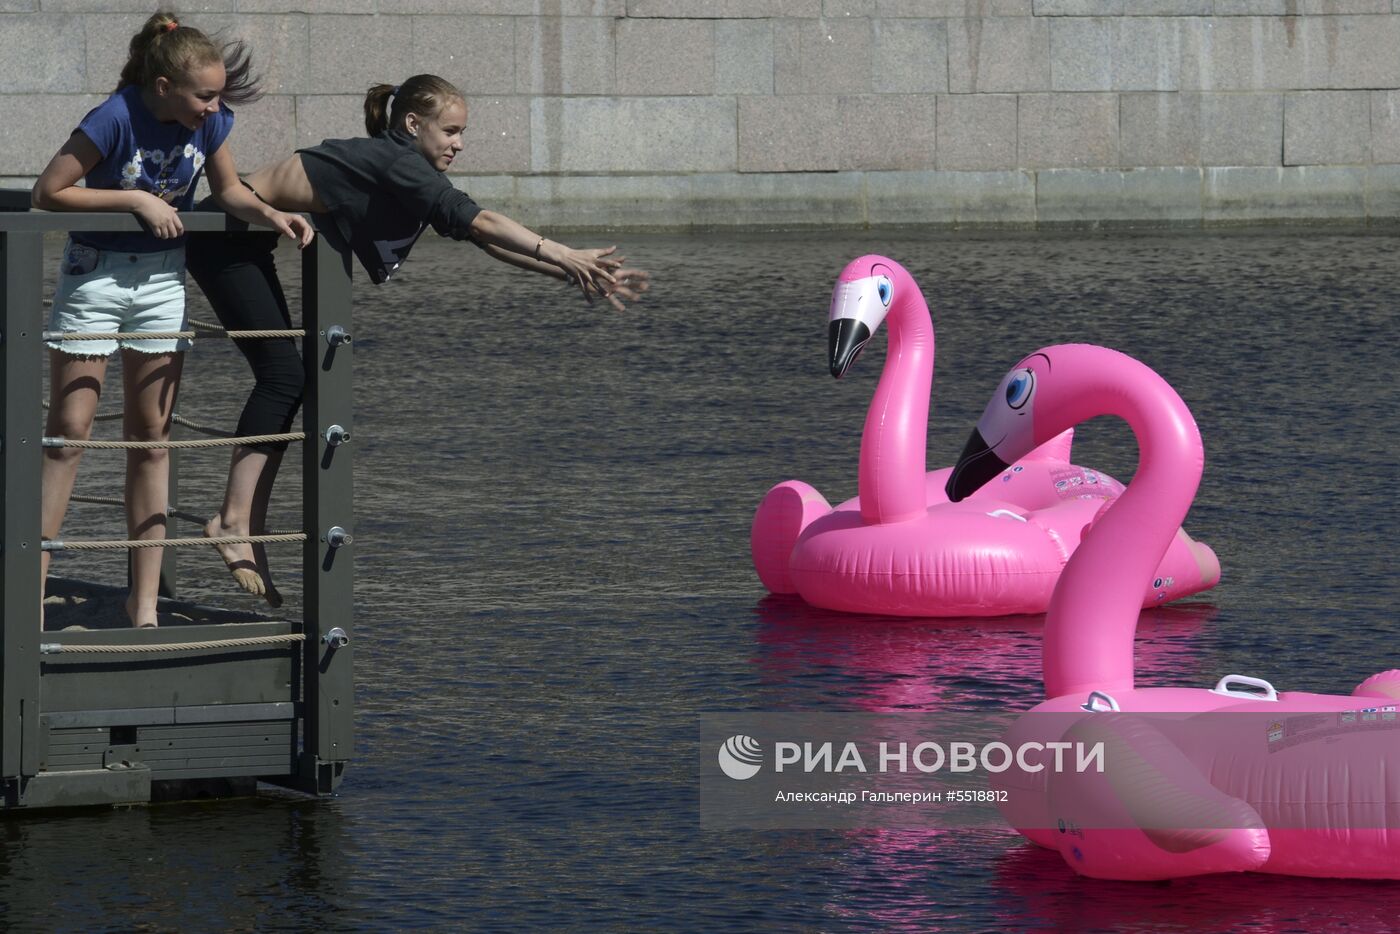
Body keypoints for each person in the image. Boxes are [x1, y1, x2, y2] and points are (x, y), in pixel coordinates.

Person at [188, 73, 649, 606]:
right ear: (413, 124)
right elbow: (483, 221)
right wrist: (563, 252)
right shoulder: (396, 162)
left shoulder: (402, 167)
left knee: (288, 379)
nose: (459, 143)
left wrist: (569, 273)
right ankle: (232, 522)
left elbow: (481, 238)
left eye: (462, 132)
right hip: (221, 235)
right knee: (285, 377)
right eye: (450, 130)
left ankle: (245, 527)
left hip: (242, 242)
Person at [32, 11, 314, 628]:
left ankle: (145, 607)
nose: (213, 108)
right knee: (69, 432)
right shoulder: (116, 116)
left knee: (152, 439)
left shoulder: (209, 125)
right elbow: (49, 191)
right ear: (163, 88)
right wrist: (136, 199)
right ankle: (29, 591)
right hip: (96, 276)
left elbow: (230, 189)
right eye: (204, 96)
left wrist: (272, 217)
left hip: (161, 281)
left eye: (217, 97)